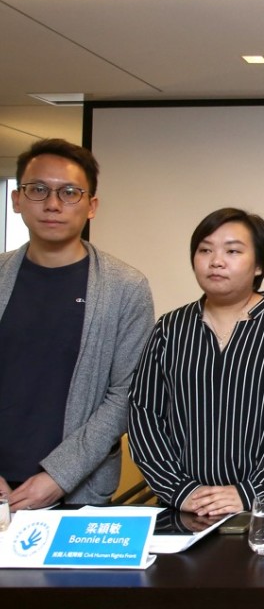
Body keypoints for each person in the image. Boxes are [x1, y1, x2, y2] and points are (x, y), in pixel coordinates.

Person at [129, 208, 264, 517]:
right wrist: (179, 490)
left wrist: (250, 491)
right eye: (205, 250)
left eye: (232, 251)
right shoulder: (170, 327)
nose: (216, 261)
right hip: (187, 507)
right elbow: (144, 412)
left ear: (258, 265)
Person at [0, 138, 154, 511]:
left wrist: (59, 476)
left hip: (76, 493)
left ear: (91, 206)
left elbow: (126, 394)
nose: (53, 204)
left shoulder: (125, 287)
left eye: (69, 192)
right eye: (38, 190)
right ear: (17, 200)